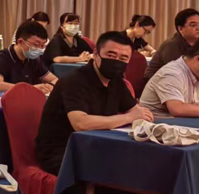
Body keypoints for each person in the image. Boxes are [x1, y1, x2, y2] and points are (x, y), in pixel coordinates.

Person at [35, 31, 153, 174]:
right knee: (124, 171)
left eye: (123, 58)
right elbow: (81, 124)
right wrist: (129, 117)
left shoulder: (116, 81)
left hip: (97, 146)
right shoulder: (74, 81)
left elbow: (138, 111)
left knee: (145, 163)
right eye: (111, 55)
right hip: (64, 152)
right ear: (96, 54)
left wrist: (137, 115)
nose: (116, 62)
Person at [0, 20, 57, 94]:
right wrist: (30, 88)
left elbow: (55, 79)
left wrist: (50, 86)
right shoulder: (0, 58)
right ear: (20, 42)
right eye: (36, 45)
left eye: (42, 45)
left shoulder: (34, 59)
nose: (39, 49)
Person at [144, 8, 199, 82]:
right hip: (159, 83)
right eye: (193, 25)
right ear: (180, 29)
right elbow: (177, 72)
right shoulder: (172, 45)